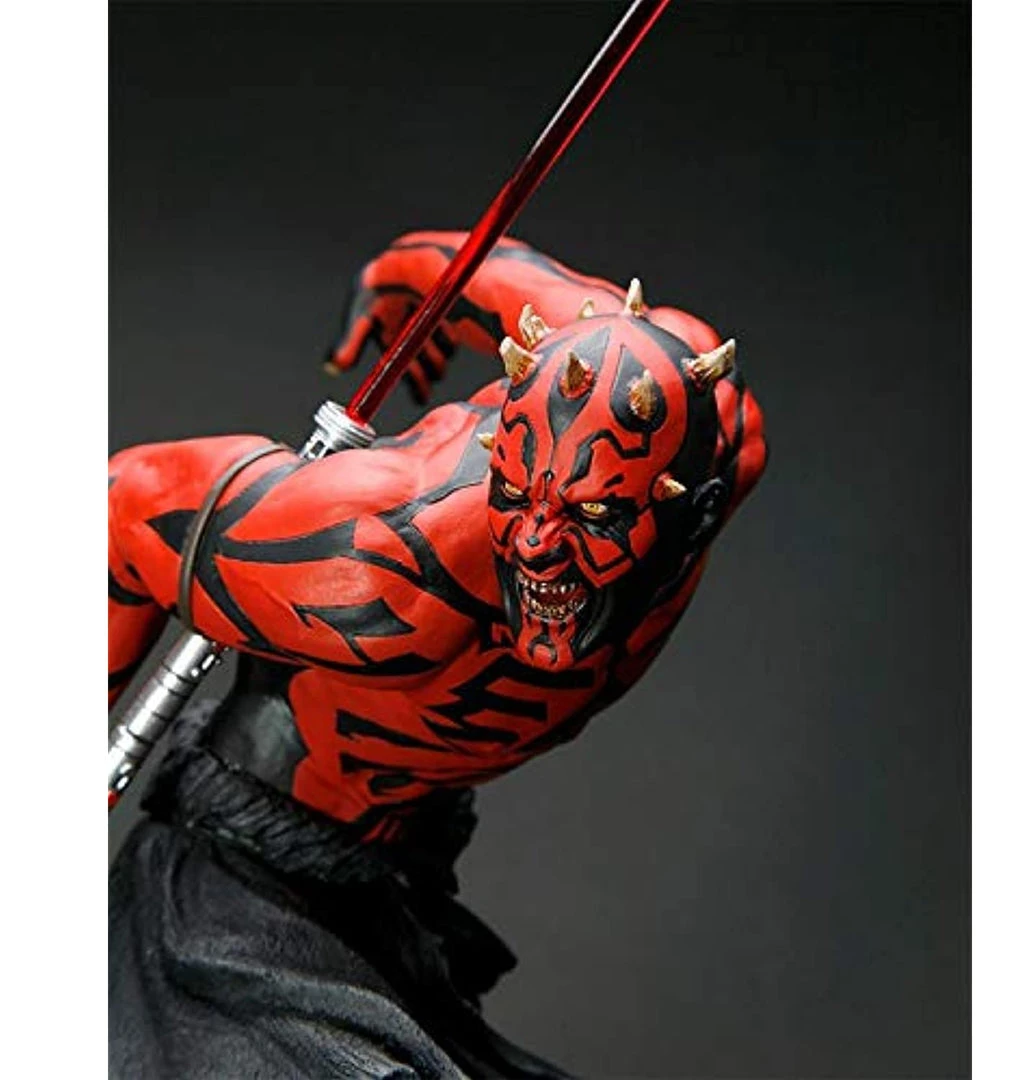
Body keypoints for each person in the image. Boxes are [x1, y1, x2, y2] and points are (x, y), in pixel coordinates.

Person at [108, 232, 767, 1078]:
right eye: (517, 496)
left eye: (593, 517)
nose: (536, 545)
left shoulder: (712, 427)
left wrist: (414, 272)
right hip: (238, 875)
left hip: (387, 886)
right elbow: (123, 510)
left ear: (696, 511)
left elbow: (556, 302)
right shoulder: (390, 565)